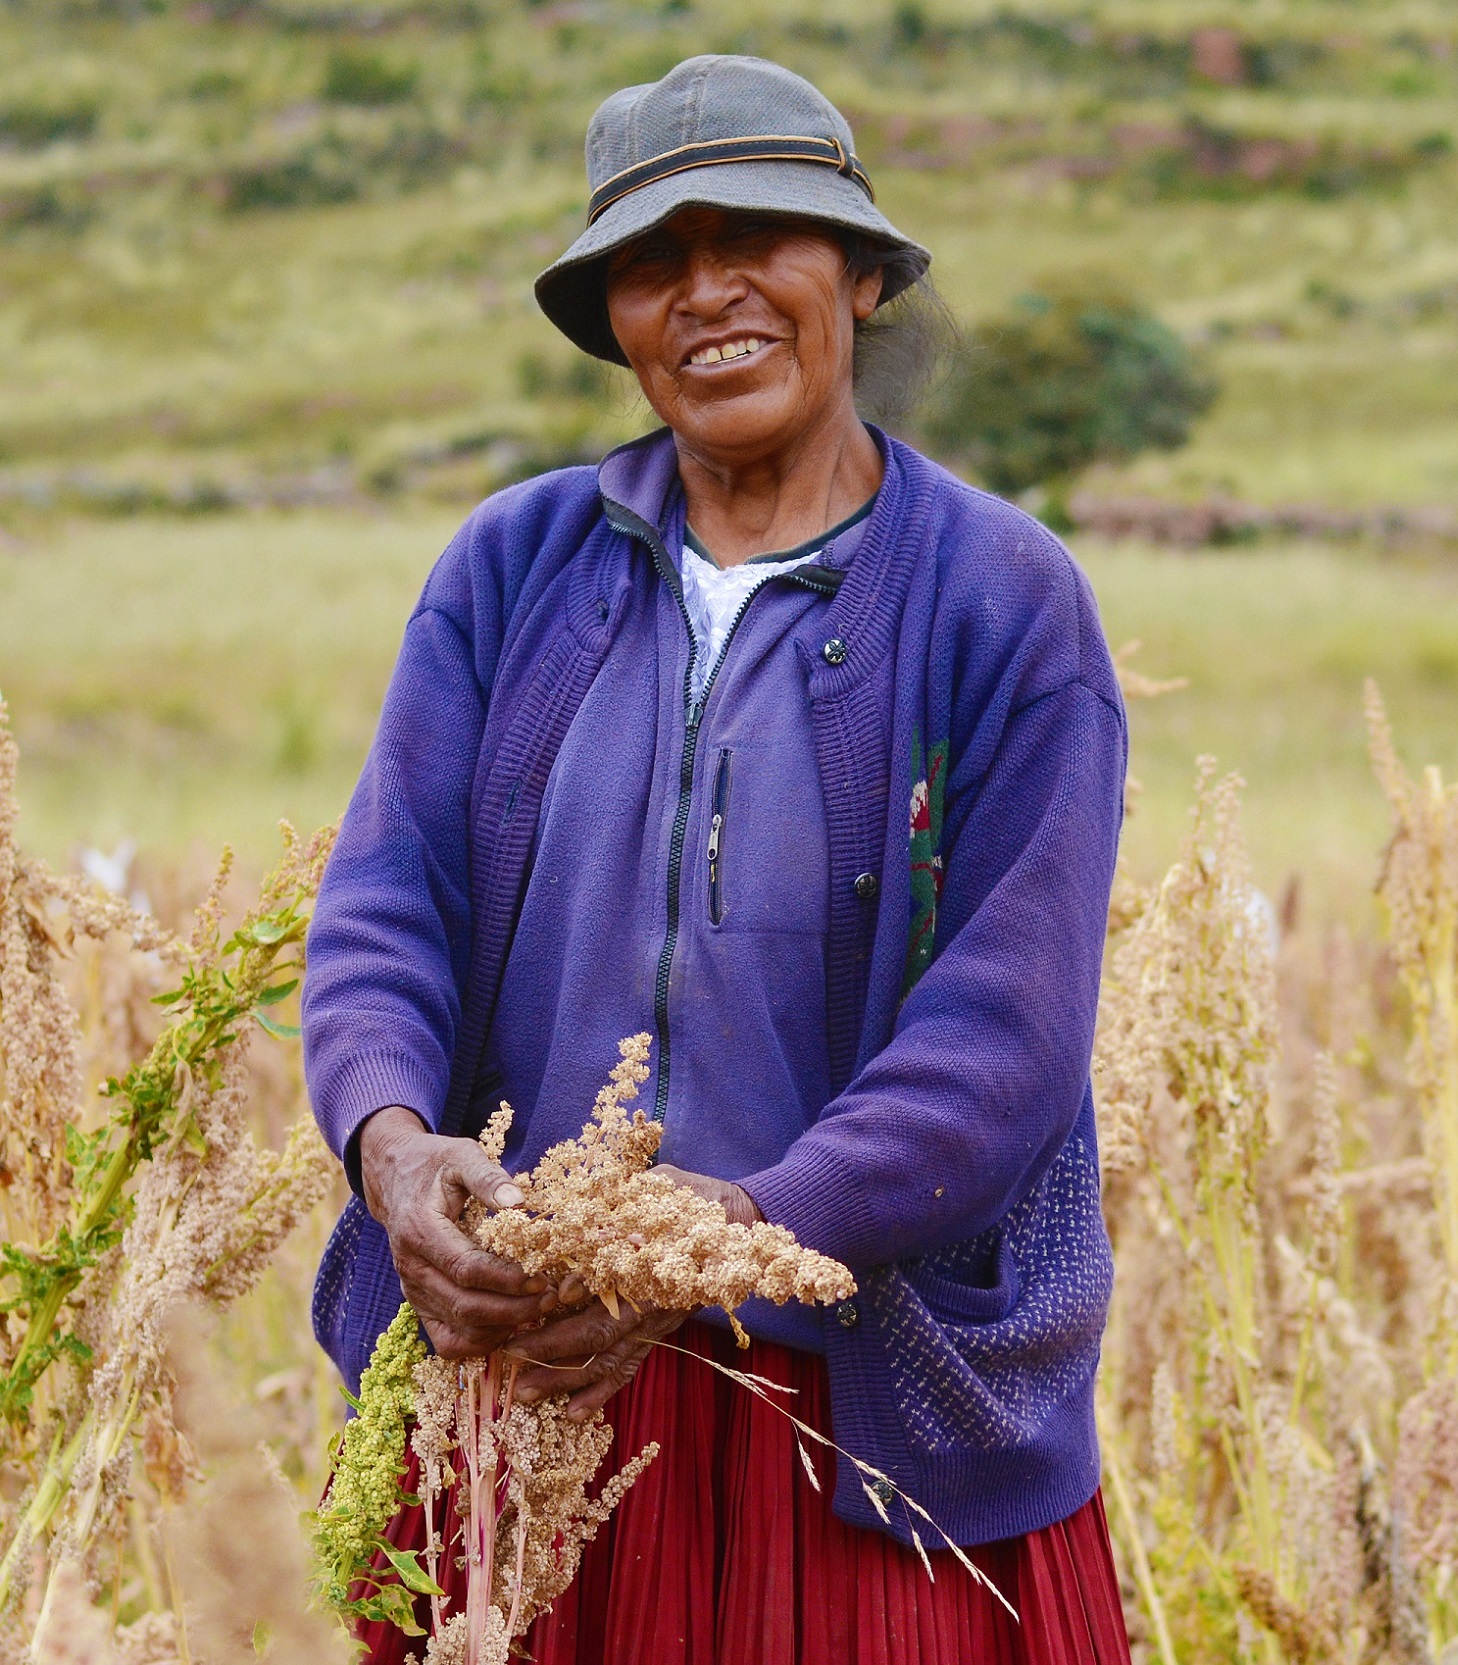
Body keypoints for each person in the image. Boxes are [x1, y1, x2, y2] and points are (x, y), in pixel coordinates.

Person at [302, 53, 1132, 1664]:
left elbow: (1004, 1036)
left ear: (865, 273)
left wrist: (713, 1239)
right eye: (652, 262)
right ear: (610, 315)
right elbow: (385, 907)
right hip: (532, 1393)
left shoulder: (999, 604)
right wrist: (396, 1154)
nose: (709, 293)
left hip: (855, 1421)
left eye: (762, 235)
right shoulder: (509, 568)